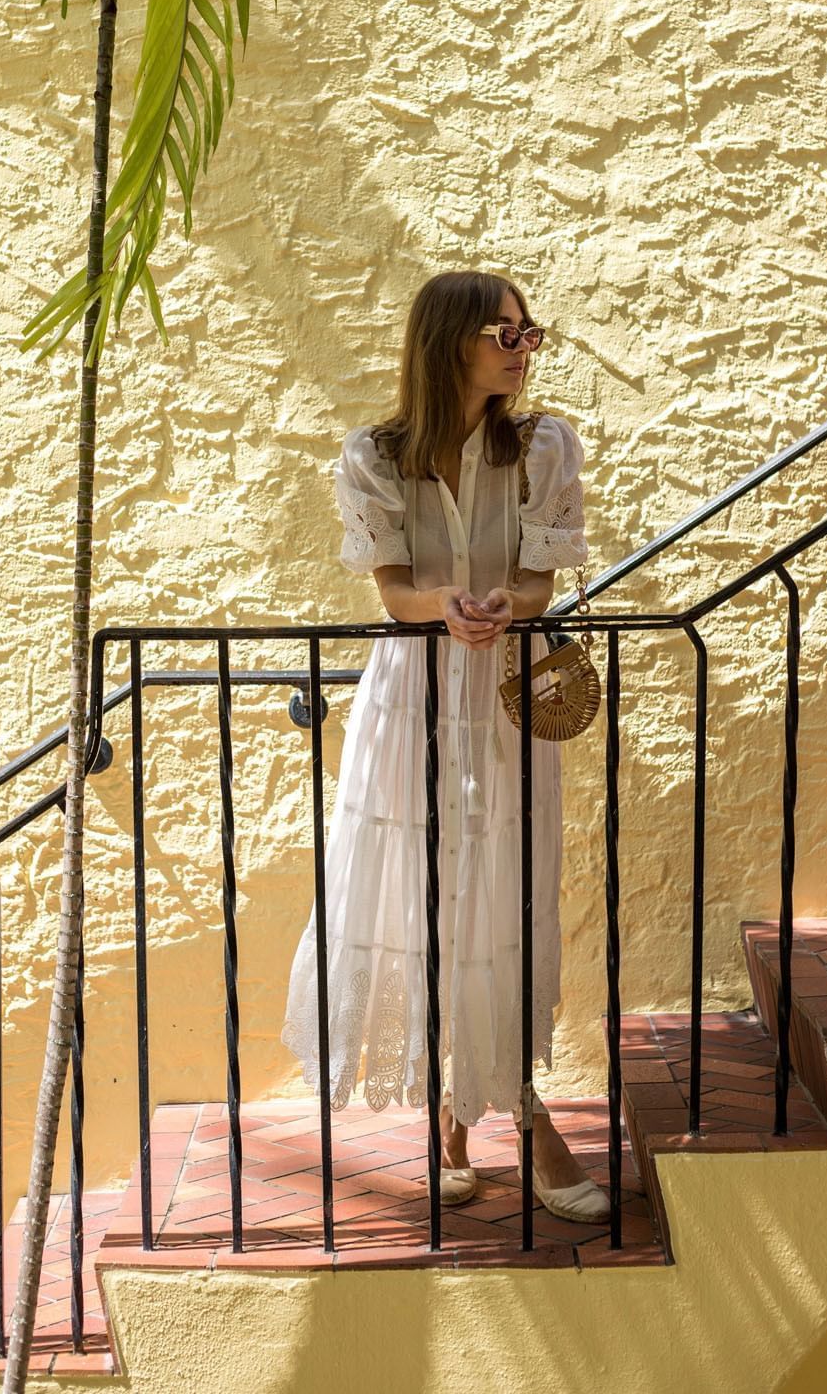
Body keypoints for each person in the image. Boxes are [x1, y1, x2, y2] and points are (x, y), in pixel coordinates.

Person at [281, 268, 609, 1220]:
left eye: (529, 332)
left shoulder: (542, 448)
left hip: (507, 692)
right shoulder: (375, 456)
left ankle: (522, 1111)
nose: (524, 349)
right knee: (426, 896)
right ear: (451, 342)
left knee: (507, 894)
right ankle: (449, 1119)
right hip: (415, 695)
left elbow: (541, 582)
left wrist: (509, 603)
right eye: (506, 333)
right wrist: (445, 609)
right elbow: (392, 593)